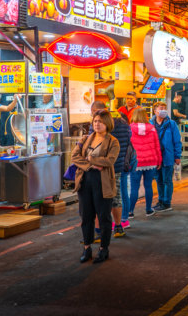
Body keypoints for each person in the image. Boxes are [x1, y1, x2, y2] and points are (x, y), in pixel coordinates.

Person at [71, 109, 120, 263]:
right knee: (86, 217)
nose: (97, 124)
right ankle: (87, 248)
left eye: (101, 121)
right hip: (85, 180)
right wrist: (91, 164)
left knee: (104, 217)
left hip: (103, 182)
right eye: (95, 121)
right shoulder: (86, 138)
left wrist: (91, 158)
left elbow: (109, 161)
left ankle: (103, 249)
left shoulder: (113, 141)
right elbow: (74, 157)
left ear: (107, 123)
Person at [91, 101, 131, 236]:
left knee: (99, 199)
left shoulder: (98, 129)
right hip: (118, 166)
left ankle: (98, 230)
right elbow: (128, 143)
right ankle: (119, 227)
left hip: (100, 168)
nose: (95, 121)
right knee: (116, 197)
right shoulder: (124, 124)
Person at [129, 108, 162, 217]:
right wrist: (159, 160)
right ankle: (148, 209)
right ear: (145, 116)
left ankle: (130, 211)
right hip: (151, 161)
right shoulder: (152, 129)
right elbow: (157, 146)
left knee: (134, 187)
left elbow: (128, 147)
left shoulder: (130, 129)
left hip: (136, 162)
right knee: (148, 185)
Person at [152, 102, 181, 212]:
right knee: (159, 180)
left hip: (168, 156)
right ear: (155, 111)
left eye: (165, 108)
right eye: (161, 108)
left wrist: (177, 155)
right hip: (155, 157)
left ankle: (167, 203)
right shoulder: (151, 124)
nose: (163, 110)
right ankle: (160, 201)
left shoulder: (171, 124)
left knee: (167, 180)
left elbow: (177, 140)